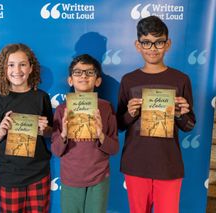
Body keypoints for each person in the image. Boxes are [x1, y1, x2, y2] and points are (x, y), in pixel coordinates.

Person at [117, 15, 196, 213]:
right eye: (146, 43)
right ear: (138, 45)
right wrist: (130, 113)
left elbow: (189, 125)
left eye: (158, 42)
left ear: (167, 44)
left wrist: (180, 114)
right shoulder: (128, 80)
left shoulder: (181, 79)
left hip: (168, 165)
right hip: (136, 164)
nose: (153, 48)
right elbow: (119, 125)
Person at [0, 43, 53, 213]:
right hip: (9, 174)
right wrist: (1, 131)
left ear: (31, 68)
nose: (17, 70)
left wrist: (44, 130)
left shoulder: (41, 97)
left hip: (38, 172)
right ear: (4, 68)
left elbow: (50, 132)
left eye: (22, 64)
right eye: (11, 65)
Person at [51, 54, 119, 213]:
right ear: (70, 80)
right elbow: (56, 151)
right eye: (78, 72)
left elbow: (114, 148)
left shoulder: (106, 108)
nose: (83, 76)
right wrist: (64, 135)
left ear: (98, 80)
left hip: (99, 178)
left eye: (89, 72)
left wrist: (100, 135)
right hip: (71, 178)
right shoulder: (62, 110)